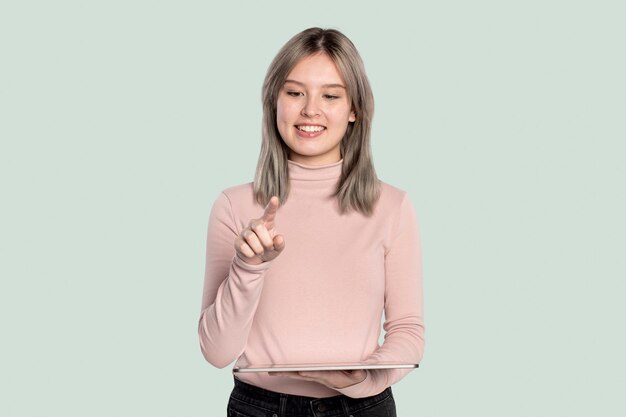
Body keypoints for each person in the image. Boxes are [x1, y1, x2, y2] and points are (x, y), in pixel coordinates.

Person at [198, 27, 424, 417]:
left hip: (362, 407)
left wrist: (362, 380)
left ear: (355, 109)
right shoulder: (233, 206)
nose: (310, 110)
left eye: (331, 96)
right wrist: (249, 267)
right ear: (274, 101)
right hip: (260, 408)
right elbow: (217, 352)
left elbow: (408, 331)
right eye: (295, 92)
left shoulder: (392, 205)